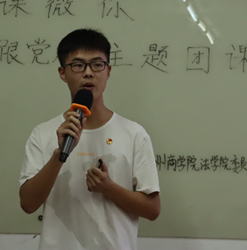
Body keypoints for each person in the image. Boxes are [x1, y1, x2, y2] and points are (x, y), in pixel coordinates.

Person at [19, 28, 160, 250]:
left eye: (97, 64)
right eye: (78, 65)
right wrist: (59, 155)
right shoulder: (43, 133)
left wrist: (108, 188)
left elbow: (152, 210)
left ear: (108, 71)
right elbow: (28, 204)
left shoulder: (134, 134)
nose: (88, 73)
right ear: (62, 73)